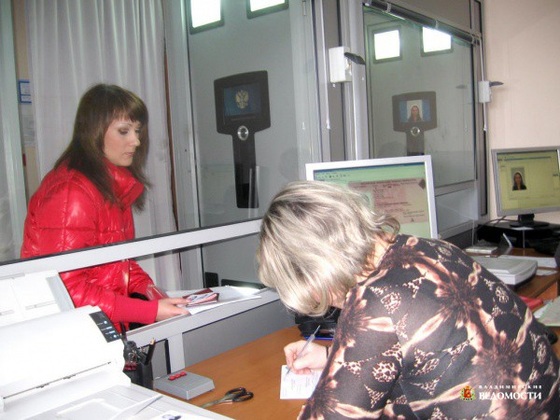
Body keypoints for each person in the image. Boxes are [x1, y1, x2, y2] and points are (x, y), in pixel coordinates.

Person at [257, 181, 559, 419]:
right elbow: (429, 353)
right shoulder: (430, 248)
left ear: (315, 270)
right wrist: (330, 357)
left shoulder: (375, 300)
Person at [21, 84, 189, 332]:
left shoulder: (109, 186)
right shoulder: (71, 192)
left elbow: (118, 263)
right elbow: (66, 288)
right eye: (124, 131)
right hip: (74, 330)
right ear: (95, 131)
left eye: (137, 130)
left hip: (98, 323)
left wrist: (152, 293)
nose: (136, 141)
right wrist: (149, 311)